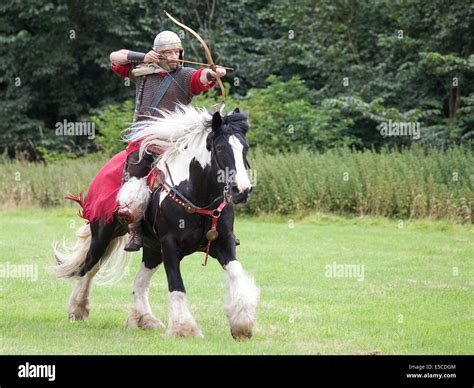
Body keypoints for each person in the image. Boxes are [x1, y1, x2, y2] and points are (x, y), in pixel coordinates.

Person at [109, 30, 226, 251]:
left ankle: (221, 227)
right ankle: (134, 231)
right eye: (168, 52)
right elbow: (115, 56)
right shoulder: (142, 71)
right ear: (157, 54)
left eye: (177, 51)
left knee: (209, 169)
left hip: (175, 142)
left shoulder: (185, 75)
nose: (174, 56)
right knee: (134, 178)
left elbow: (200, 77)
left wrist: (212, 75)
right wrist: (143, 57)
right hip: (145, 140)